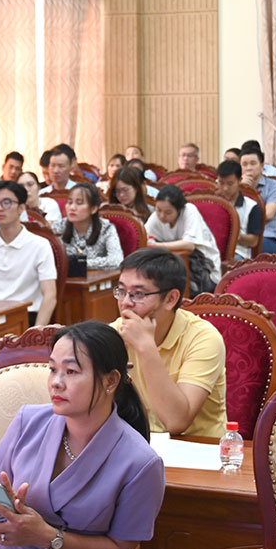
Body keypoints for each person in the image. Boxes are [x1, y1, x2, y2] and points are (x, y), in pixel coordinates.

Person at [0, 321, 166, 549]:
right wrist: (3, 507)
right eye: (53, 369)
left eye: (71, 372)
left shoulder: (140, 462)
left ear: (111, 380)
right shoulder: (27, 421)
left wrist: (47, 536)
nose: (56, 383)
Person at [112, 247, 227, 438]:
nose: (125, 302)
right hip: (139, 446)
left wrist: (145, 347)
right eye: (121, 291)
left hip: (197, 448)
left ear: (171, 299)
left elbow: (176, 421)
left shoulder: (203, 338)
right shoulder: (116, 333)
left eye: (138, 294)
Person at [0, 182, 58, 327]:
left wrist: (35, 334)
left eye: (7, 203)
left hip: (27, 317)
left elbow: (50, 296)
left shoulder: (40, 245)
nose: (0, 209)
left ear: (21, 208)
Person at [145, 184, 222, 293]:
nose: (162, 216)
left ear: (179, 210)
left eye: (168, 212)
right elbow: (145, 237)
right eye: (158, 210)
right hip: (172, 266)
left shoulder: (189, 211)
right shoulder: (156, 216)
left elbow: (189, 245)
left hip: (202, 268)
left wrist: (158, 246)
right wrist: (151, 241)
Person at [57, 181, 124, 274]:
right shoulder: (59, 226)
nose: (72, 207)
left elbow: (117, 260)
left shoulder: (106, 228)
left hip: (98, 281)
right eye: (69, 202)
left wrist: (81, 263)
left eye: (79, 203)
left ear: (93, 209)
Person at [239, 146, 276, 253]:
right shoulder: (236, 187)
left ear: (261, 166)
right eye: (244, 165)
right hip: (240, 236)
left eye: (253, 163)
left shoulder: (275, 186)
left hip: (266, 236)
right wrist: (241, 188)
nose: (248, 168)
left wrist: (250, 190)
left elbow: (268, 214)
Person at [214, 159, 264, 261]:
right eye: (221, 183)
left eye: (230, 183)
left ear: (240, 180)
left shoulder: (252, 207)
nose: (225, 188)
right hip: (212, 250)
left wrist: (231, 235)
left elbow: (253, 241)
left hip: (237, 253)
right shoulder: (212, 204)